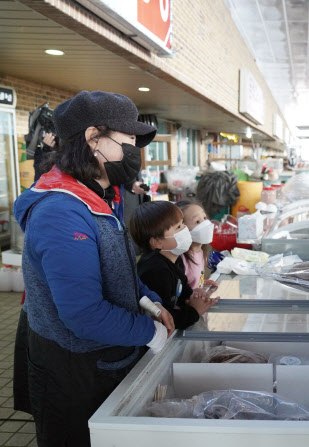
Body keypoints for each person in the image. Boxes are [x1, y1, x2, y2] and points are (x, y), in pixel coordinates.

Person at [12, 90, 175, 446]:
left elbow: (115, 270)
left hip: (100, 359)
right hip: (70, 369)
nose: (135, 152)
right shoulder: (61, 211)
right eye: (128, 141)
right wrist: (149, 333)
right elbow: (83, 313)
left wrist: (147, 300)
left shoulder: (98, 195)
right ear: (93, 138)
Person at [131, 201, 219, 329]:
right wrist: (195, 311)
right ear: (157, 242)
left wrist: (194, 295)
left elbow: (183, 290)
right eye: (178, 227)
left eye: (183, 223)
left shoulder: (175, 258)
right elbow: (165, 318)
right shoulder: (156, 272)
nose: (185, 230)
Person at [176, 199, 213, 289]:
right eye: (197, 222)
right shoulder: (180, 259)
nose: (205, 224)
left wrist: (202, 283)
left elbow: (197, 278)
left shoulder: (201, 252)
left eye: (204, 218)